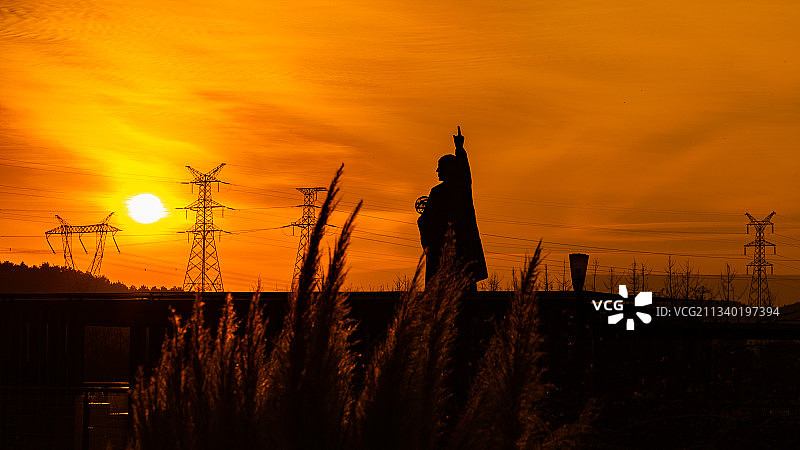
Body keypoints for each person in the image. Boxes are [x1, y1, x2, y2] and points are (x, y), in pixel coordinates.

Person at [417, 127, 488, 288]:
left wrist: (422, 218)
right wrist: (460, 149)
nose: (436, 170)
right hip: (462, 255)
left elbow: (427, 221)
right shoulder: (462, 189)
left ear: (448, 169)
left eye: (439, 167)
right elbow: (466, 173)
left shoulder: (440, 192)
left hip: (442, 255)